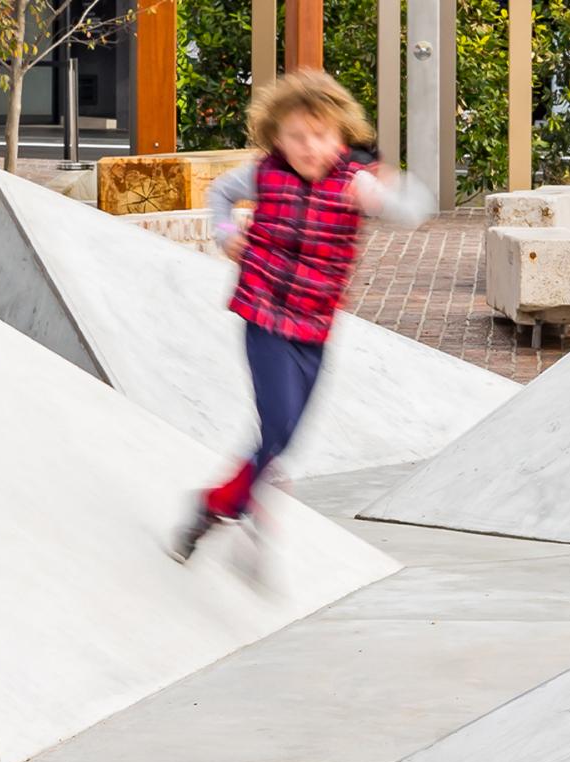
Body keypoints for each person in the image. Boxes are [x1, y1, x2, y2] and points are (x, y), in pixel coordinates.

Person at [170, 69, 433, 564]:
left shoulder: (354, 182)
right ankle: (218, 507)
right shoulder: (264, 173)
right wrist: (226, 233)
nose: (309, 147)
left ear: (340, 138)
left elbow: (418, 208)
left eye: (321, 136)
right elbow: (219, 195)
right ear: (277, 137)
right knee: (278, 422)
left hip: (314, 326)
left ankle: (236, 500)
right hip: (263, 314)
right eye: (296, 136)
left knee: (286, 437)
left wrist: (385, 188)